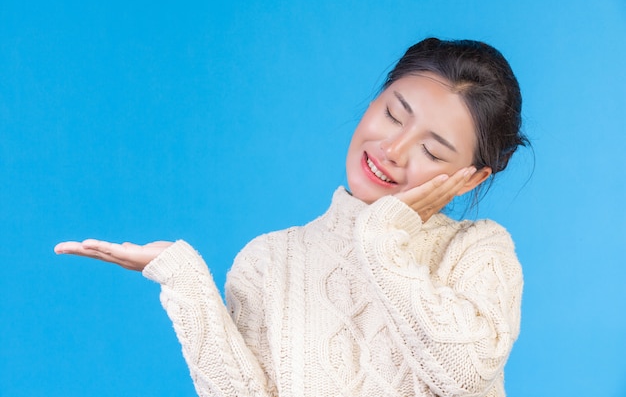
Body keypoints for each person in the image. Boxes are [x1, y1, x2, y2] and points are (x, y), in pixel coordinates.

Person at [55, 37, 528, 397]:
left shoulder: (477, 251)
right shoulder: (270, 259)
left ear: (470, 178)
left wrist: (384, 235)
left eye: (429, 149)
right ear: (372, 102)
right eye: (392, 114)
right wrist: (186, 283)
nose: (393, 150)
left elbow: (463, 376)